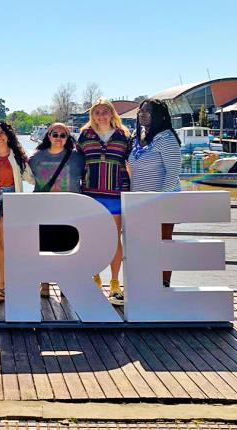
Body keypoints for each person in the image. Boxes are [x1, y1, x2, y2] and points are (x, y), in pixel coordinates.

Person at [77, 99, 131, 306]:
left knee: (114, 238)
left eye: (105, 112)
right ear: (92, 115)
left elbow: (131, 163)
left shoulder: (124, 136)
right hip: (91, 193)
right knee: (92, 239)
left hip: (116, 194)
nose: (101, 116)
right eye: (97, 112)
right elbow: (76, 162)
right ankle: (95, 277)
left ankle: (115, 283)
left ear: (111, 114)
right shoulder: (85, 135)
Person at [129, 98, 182, 288]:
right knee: (142, 246)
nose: (142, 113)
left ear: (158, 115)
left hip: (161, 204)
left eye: (148, 111)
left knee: (162, 244)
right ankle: (145, 286)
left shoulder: (166, 138)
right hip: (138, 203)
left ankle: (163, 285)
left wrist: (156, 203)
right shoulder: (138, 136)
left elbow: (173, 173)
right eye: (140, 110)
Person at [28, 123, 84, 297]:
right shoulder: (35, 157)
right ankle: (44, 283)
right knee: (44, 248)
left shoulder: (77, 157)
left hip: (70, 210)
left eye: (63, 135)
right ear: (48, 136)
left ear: (68, 138)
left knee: (69, 248)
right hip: (44, 209)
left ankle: (65, 284)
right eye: (55, 134)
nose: (59, 138)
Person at [0, 120, 33, 302]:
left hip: (12, 198)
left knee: (3, 243)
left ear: (8, 135)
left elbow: (31, 178)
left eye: (2, 133)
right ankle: (3, 279)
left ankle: (0, 286)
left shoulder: (17, 154)